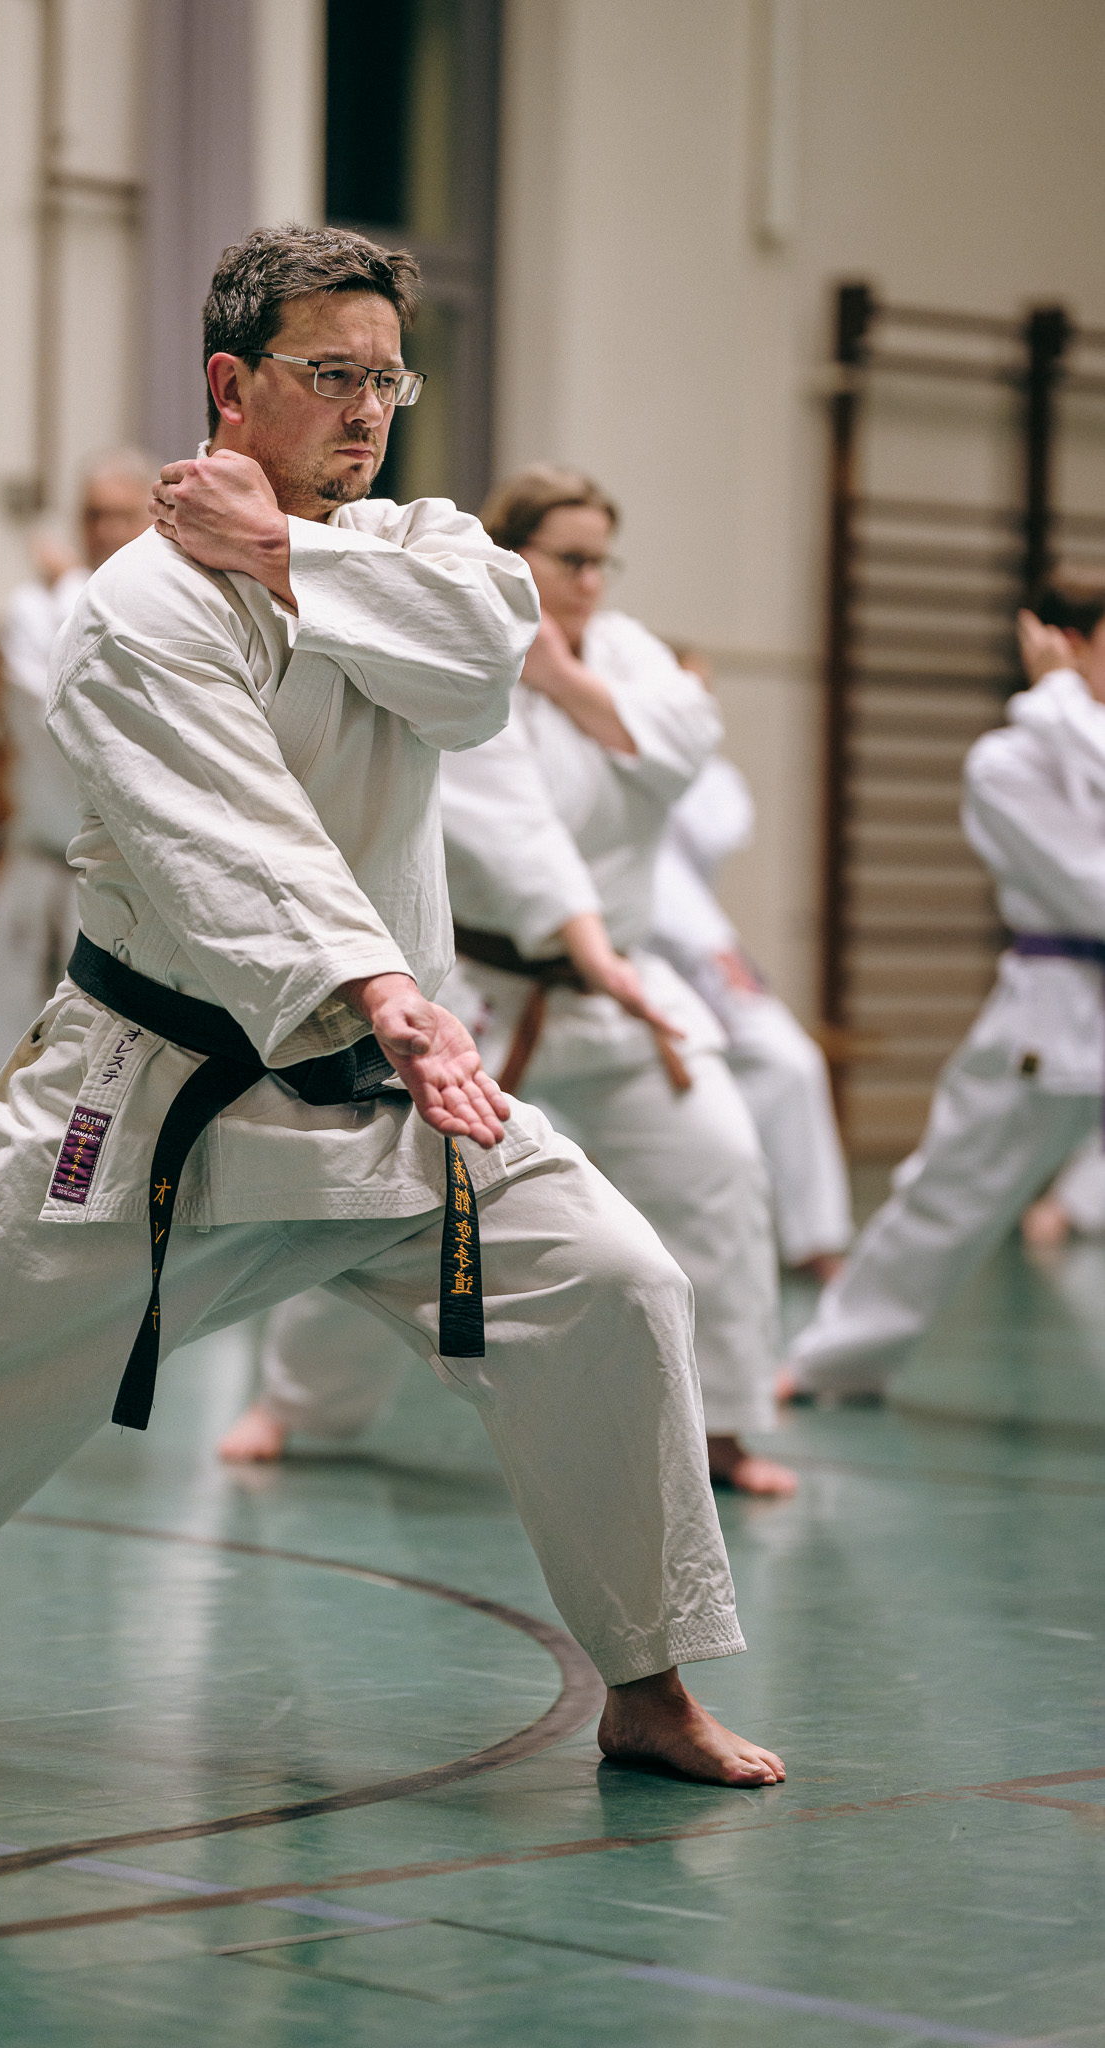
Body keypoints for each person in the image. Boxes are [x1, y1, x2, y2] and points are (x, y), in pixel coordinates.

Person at [0, 225, 782, 1789]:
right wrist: (383, 987)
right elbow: (230, 843)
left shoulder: (407, 549)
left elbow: (488, 656)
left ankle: (645, 1682)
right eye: (329, 374)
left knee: (613, 1284)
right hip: (155, 1096)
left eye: (387, 379)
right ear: (231, 381)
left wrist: (286, 555)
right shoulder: (138, 604)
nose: (367, 408)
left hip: (395, 1098)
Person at [222, 465, 797, 1496]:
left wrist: (570, 682)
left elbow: (688, 740)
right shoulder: (458, 666)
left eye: (602, 562)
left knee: (716, 1165)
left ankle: (722, 1425)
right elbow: (513, 834)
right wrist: (590, 946)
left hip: (615, 1000)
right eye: (569, 561)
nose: (590, 583)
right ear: (513, 557)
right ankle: (299, 1405)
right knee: (383, 1190)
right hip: (486, 996)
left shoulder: (627, 653)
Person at [783, 581, 1105, 1399]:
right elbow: (1092, 892)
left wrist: (1062, 706)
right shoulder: (1006, 763)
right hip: (1057, 1015)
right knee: (949, 1197)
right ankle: (836, 1362)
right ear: (1064, 647)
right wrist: (1057, 705)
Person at [0, 451, 155, 1143]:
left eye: (121, 514)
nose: (103, 529)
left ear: (153, 518)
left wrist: (67, 584)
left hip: (127, 889)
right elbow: (61, 717)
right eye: (92, 514)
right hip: (38, 869)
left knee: (106, 1080)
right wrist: (67, 592)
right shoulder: (35, 611)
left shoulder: (167, 612)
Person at [652, 749, 854, 1279]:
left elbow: (712, 839)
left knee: (792, 1062)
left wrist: (721, 958)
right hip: (610, 959)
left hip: (698, 962)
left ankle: (812, 1239)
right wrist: (714, 949)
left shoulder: (695, 762)